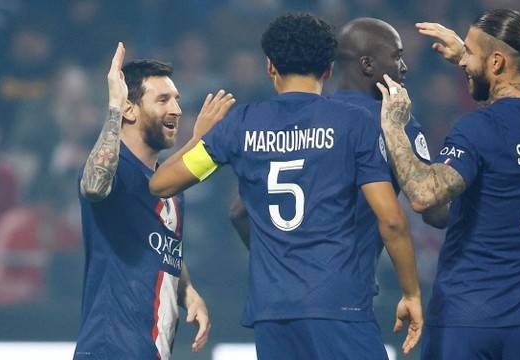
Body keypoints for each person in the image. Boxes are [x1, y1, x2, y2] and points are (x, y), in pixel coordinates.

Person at [149, 12, 423, 360]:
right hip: (339, 307)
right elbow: (393, 221)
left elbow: (160, 184)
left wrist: (201, 138)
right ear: (327, 69)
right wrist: (411, 293)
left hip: (272, 312)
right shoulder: (354, 123)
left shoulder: (241, 126)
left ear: (270, 66)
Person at [377, 9, 520, 360]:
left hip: (467, 316)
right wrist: (474, 55)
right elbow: (515, 109)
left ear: (496, 62)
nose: (462, 61)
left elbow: (423, 196)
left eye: (468, 52)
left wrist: (393, 125)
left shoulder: (478, 130)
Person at [74, 43, 211, 360]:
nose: (176, 109)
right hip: (111, 349)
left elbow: (162, 248)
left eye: (176, 99)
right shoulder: (114, 168)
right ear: (130, 108)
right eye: (163, 99)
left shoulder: (171, 188)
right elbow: (93, 187)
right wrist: (113, 107)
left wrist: (188, 293)